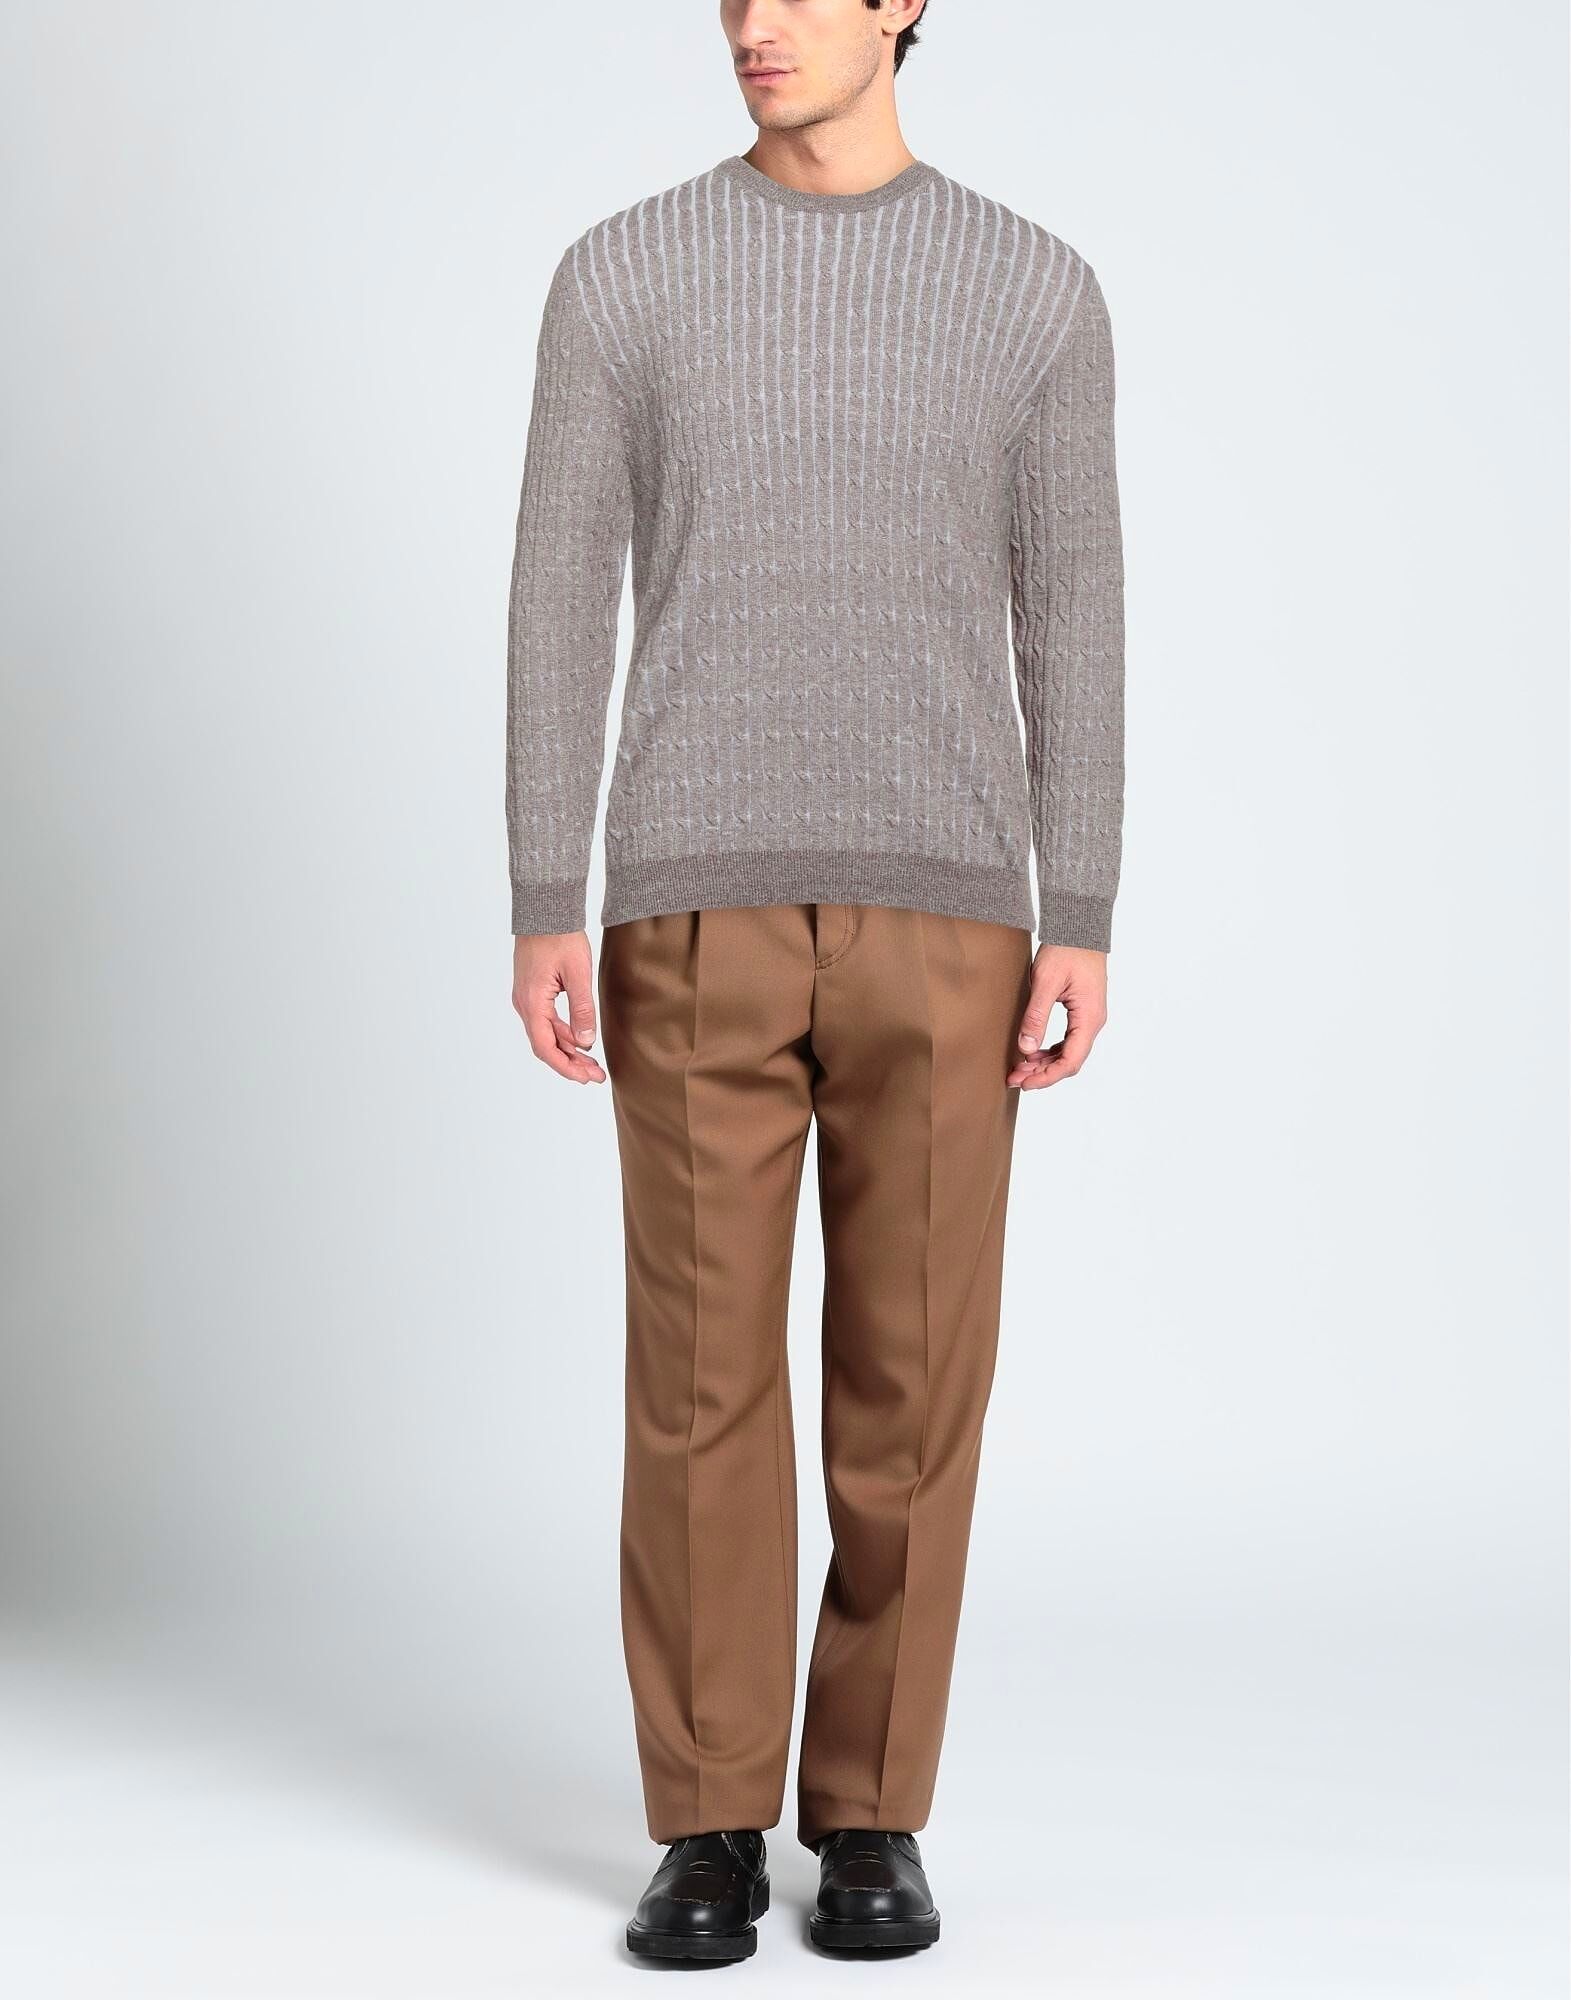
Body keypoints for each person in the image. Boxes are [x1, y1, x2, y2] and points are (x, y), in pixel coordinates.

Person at [505, 0, 1124, 1962]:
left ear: (906, 2)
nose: (756, 23)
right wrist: (543, 891)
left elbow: (1077, 605)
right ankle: (706, 1819)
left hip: (953, 910)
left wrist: (1082, 905)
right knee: (697, 1382)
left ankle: (870, 1813)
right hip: (690, 901)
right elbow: (557, 589)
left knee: (912, 1387)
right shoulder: (623, 278)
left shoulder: (1034, 293)